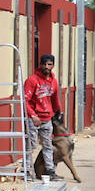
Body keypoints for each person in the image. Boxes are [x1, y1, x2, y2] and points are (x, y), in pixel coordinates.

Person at [24, 52, 64, 180]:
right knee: (31, 145)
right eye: (44, 64)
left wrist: (59, 111)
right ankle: (27, 171)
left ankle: (50, 171)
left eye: (50, 64)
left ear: (53, 65)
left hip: (47, 119)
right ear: (40, 65)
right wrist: (33, 115)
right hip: (34, 119)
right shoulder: (32, 80)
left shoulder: (54, 81)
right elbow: (25, 100)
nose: (47, 67)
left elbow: (55, 98)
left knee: (48, 146)